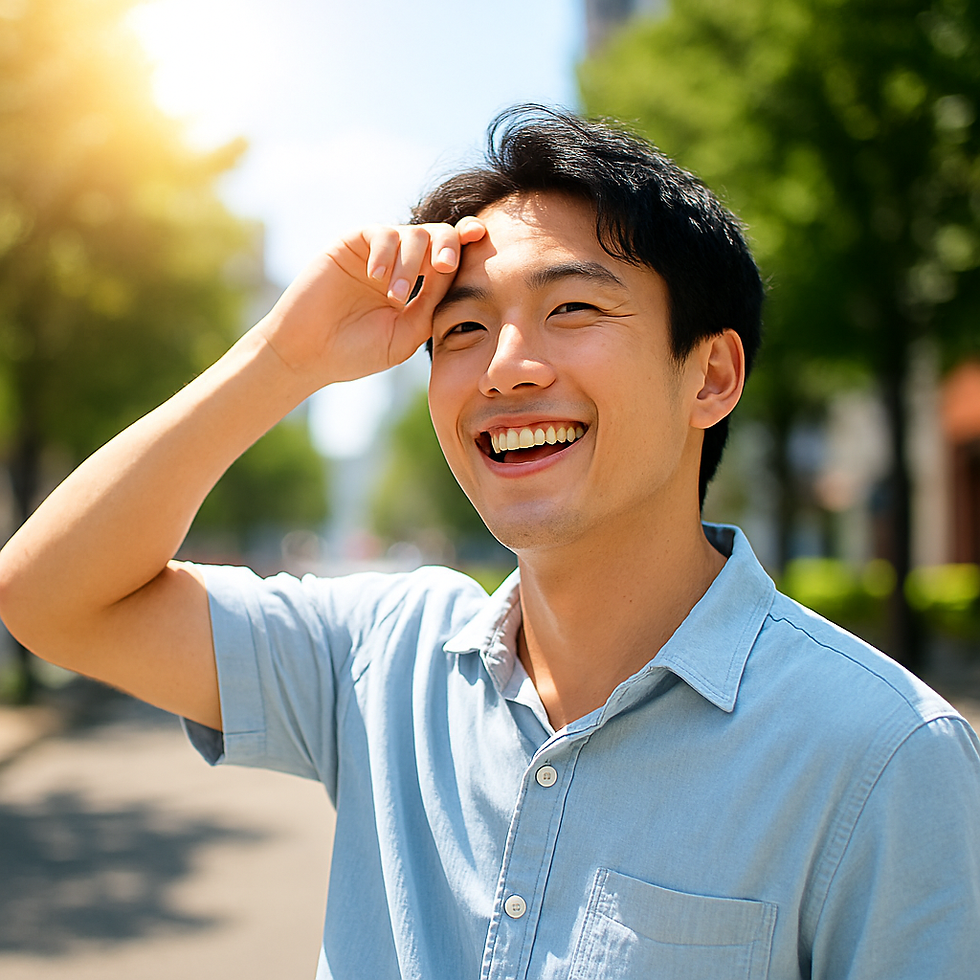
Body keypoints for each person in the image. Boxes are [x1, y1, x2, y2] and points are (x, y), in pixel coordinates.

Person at [0, 105, 977, 979]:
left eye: (572, 308)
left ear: (710, 376)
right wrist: (285, 358)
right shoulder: (383, 657)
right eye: (459, 330)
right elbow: (49, 594)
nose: (504, 369)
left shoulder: (885, 755)